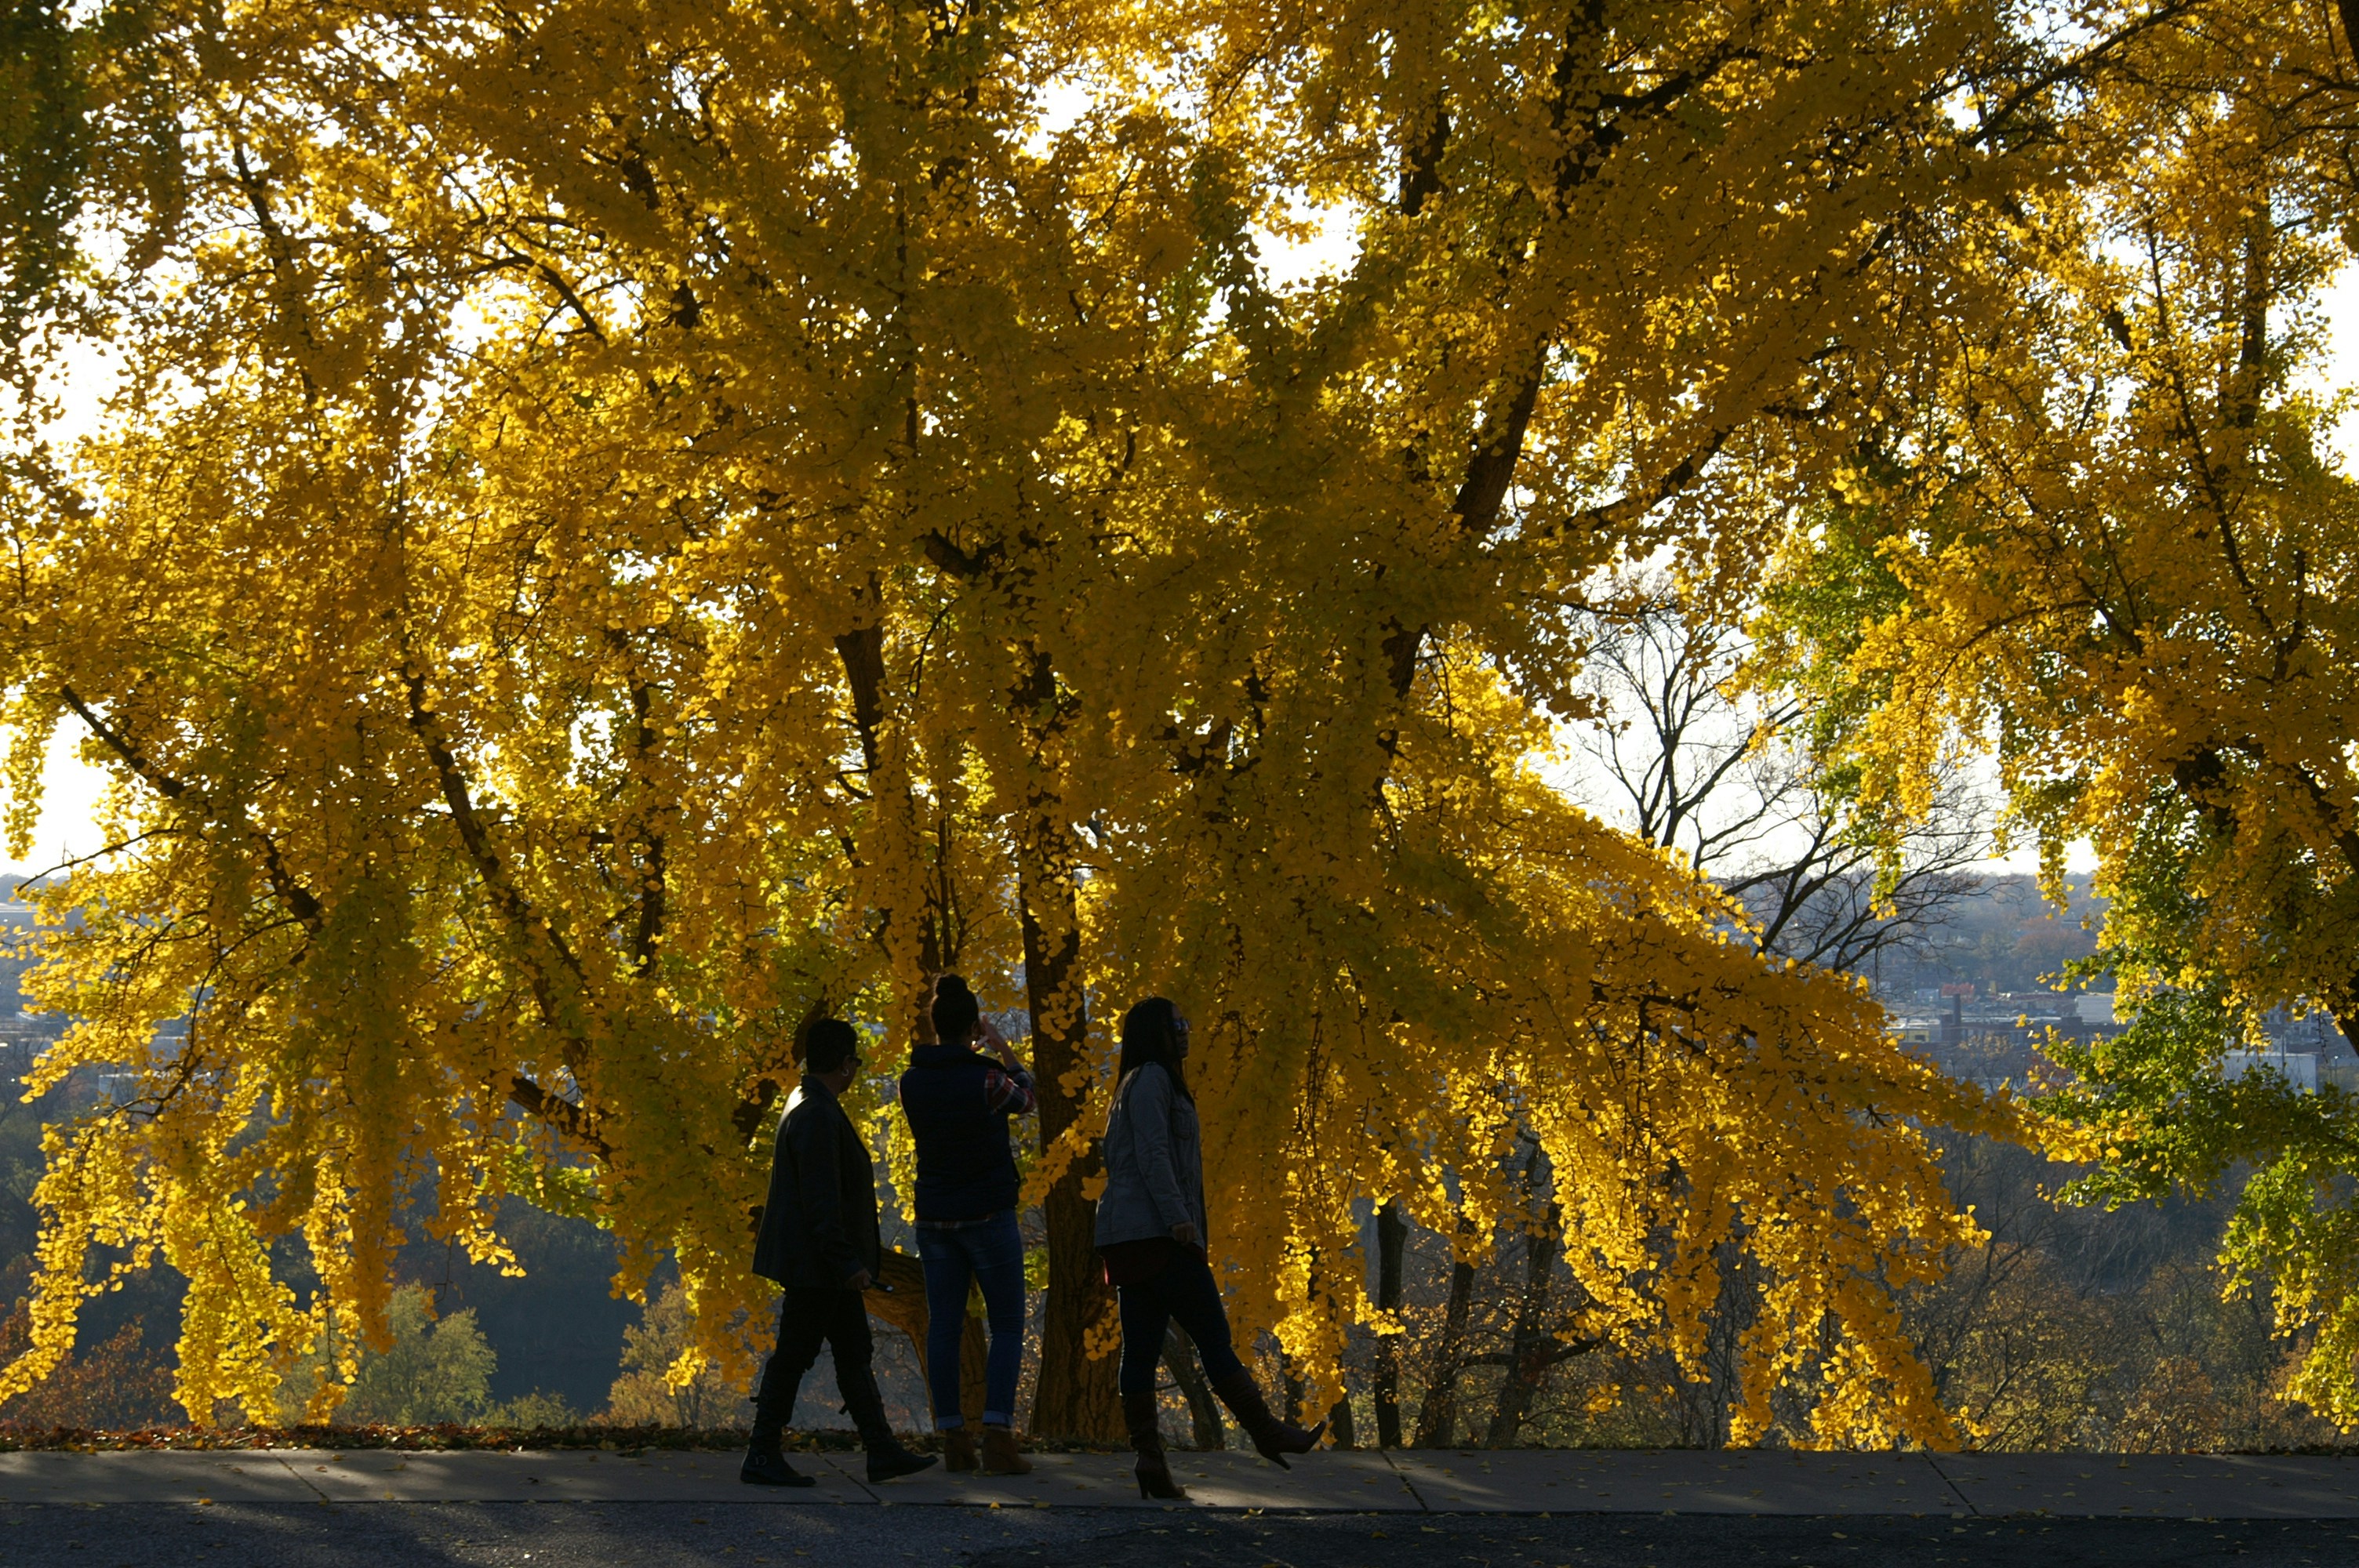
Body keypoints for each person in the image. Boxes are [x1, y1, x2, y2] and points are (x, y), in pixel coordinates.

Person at [1094, 996, 1323, 1499]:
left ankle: (1149, 1460)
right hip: (1158, 1235)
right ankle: (1265, 1431)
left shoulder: (1133, 1083)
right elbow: (1155, 1153)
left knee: (1141, 1348)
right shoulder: (1153, 1078)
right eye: (1175, 1024)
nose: (1185, 1031)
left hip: (1128, 1238)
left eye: (1185, 1021)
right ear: (1155, 1033)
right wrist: (1179, 1220)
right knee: (1214, 1339)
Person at [743, 1017, 937, 1488]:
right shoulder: (817, 1113)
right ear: (846, 1063)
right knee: (794, 1355)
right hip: (819, 1267)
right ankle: (763, 1453)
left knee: (854, 1350)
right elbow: (821, 1199)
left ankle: (881, 1448)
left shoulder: (806, 1102)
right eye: (856, 1060)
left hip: (821, 1264)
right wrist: (846, 1262)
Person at [897, 974, 1037, 1475]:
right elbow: (1027, 1099)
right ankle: (998, 1435)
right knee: (1005, 1324)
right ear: (971, 1025)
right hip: (988, 1214)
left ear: (935, 1025)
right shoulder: (988, 1078)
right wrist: (1002, 1048)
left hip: (935, 1217)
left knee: (944, 1326)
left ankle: (953, 1437)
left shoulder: (910, 1081)